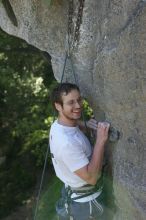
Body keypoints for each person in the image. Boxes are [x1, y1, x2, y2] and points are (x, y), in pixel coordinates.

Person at [49, 83, 110, 220]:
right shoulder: (66, 144)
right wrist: (100, 140)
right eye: (71, 102)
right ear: (58, 106)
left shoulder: (57, 126)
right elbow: (91, 178)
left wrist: (85, 124)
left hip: (71, 192)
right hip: (87, 204)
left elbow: (71, 127)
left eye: (79, 99)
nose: (78, 106)